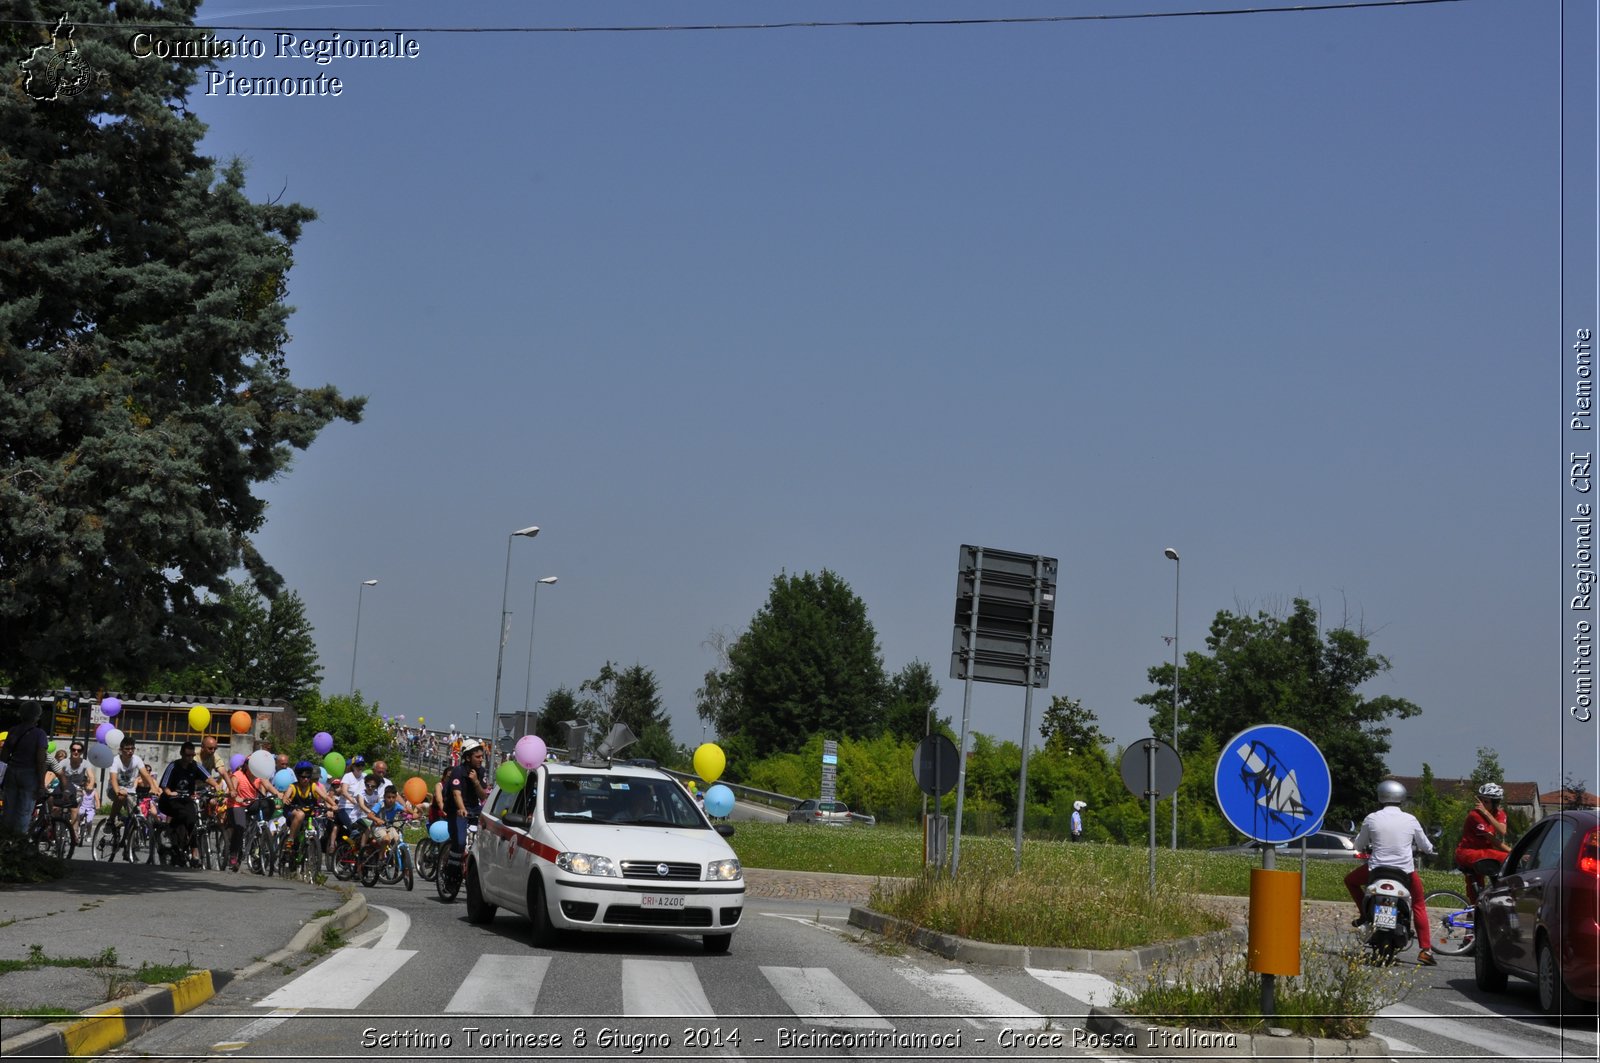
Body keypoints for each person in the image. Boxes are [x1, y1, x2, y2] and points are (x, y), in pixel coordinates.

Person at [1344, 779, 1436, 965]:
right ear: (1401, 797)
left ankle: (1364, 913)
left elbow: (1358, 845)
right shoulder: (1411, 819)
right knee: (1418, 904)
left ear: (1381, 796)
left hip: (1376, 871)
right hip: (1405, 874)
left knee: (1350, 881)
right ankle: (1425, 950)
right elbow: (1426, 846)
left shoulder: (1372, 818)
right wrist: (1426, 848)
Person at [1455, 782, 1513, 904]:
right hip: (1469, 852)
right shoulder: (1475, 816)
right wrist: (1514, 853)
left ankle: (1475, 912)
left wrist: (1488, 815)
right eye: (1483, 801)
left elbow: (1502, 830)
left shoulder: (1499, 814)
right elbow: (1495, 839)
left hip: (1484, 851)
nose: (1483, 804)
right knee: (1507, 858)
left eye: (1487, 802)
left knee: (1477, 893)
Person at [159, 741, 214, 867]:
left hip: (185, 800)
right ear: (181, 754)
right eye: (187, 755)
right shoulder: (173, 766)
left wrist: (217, 787)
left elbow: (208, 777)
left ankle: (192, 849)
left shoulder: (195, 766)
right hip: (169, 800)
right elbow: (164, 785)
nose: (189, 758)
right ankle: (171, 835)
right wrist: (170, 793)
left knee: (192, 819)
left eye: (192, 756)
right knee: (183, 815)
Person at [0, 706, 49, 836]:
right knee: (24, 811)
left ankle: (5, 842)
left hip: (12, 772)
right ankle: (18, 844)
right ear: (37, 717)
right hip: (29, 774)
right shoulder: (40, 734)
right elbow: (40, 759)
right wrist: (41, 784)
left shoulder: (13, 731)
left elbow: (4, 756)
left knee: (8, 810)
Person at [442, 739, 487, 854]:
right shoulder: (458, 771)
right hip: (456, 810)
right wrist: (462, 808)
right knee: (460, 843)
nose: (481, 759)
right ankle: (452, 868)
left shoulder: (481, 771)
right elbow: (457, 794)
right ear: (467, 758)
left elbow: (483, 797)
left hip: (473, 808)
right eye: (477, 757)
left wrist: (476, 782)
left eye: (482, 756)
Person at [55, 741, 98, 837]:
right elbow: (55, 773)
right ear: (70, 751)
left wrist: (91, 784)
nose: (76, 752)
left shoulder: (85, 763)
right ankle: (55, 828)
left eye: (78, 750)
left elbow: (91, 776)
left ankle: (74, 832)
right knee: (55, 807)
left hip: (77, 789)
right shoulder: (64, 762)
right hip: (64, 786)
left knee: (75, 809)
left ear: (81, 752)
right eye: (73, 750)